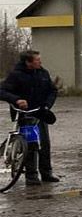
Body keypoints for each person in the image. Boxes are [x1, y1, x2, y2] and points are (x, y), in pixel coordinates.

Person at [0, 50, 60, 185]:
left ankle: (46, 173)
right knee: (31, 145)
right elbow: (2, 91)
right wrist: (17, 100)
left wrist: (47, 106)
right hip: (23, 114)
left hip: (40, 112)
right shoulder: (16, 75)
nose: (40, 62)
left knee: (44, 143)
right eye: (37, 60)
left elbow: (52, 90)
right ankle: (31, 176)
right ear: (28, 62)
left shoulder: (43, 73)